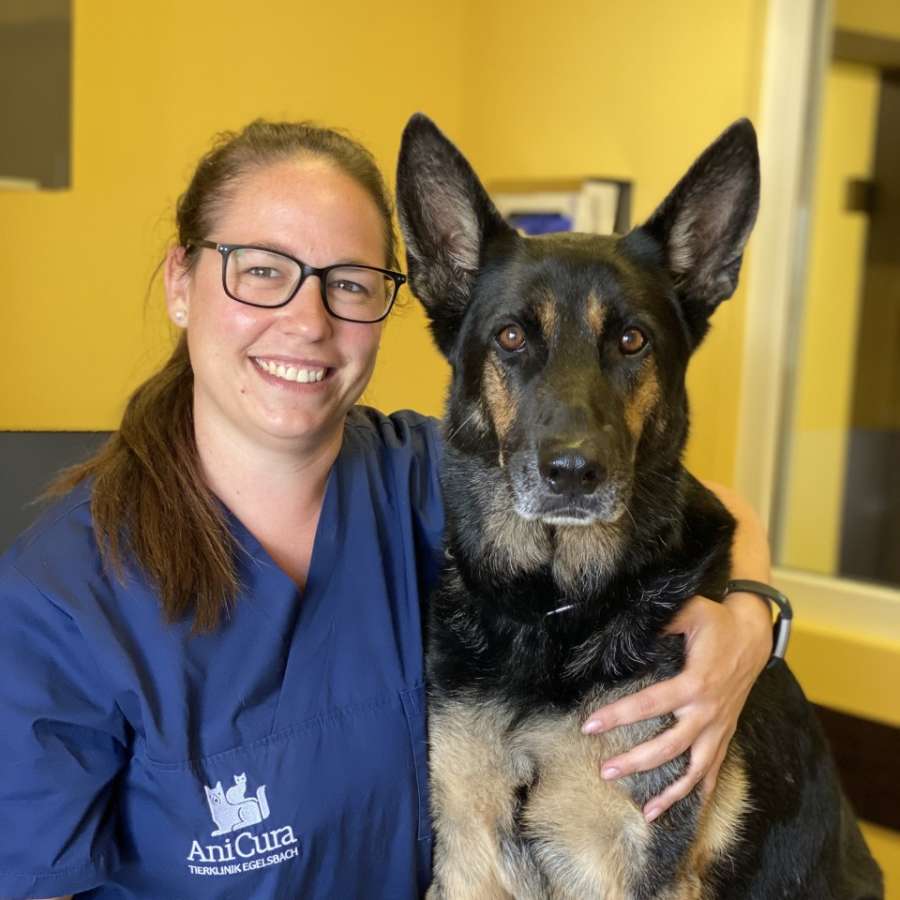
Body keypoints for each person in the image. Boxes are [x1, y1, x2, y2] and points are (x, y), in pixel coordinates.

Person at [0, 120, 774, 899]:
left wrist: (748, 624)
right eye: (262, 271)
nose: (308, 321)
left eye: (349, 282)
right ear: (180, 283)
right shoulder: (58, 597)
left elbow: (709, 507)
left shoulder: (430, 479)